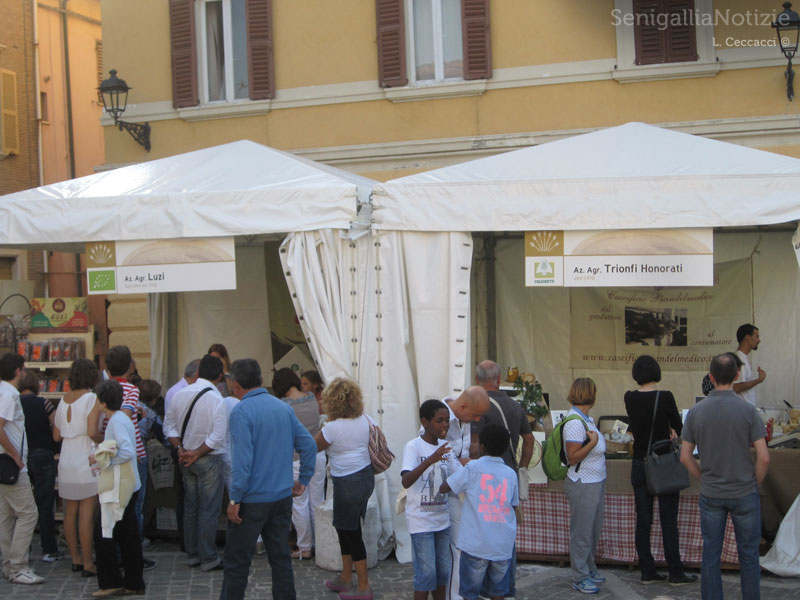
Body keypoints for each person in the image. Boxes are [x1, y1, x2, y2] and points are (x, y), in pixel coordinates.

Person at [220, 358, 317, 600]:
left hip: (252, 499)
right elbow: (309, 445)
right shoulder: (283, 408)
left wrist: (235, 499)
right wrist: (303, 478)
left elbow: (242, 462)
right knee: (281, 559)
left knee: (236, 564)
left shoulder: (241, 411)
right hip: (281, 496)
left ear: (236, 384)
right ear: (261, 381)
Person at [680, 353, 770, 600]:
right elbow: (763, 457)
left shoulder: (696, 412)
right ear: (737, 375)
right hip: (744, 491)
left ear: (711, 377)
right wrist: (754, 483)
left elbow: (685, 456)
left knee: (710, 555)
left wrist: (703, 476)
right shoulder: (748, 411)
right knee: (749, 556)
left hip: (711, 492)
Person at [624, 355, 695, 586]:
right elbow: (679, 426)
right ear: (656, 371)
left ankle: (647, 570)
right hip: (662, 463)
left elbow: (636, 427)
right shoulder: (665, 397)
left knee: (643, 520)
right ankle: (675, 572)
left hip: (639, 463)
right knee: (668, 520)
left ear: (636, 374)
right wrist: (670, 432)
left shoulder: (630, 398)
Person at [439, 423, 518, 600]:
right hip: (502, 546)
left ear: (481, 446)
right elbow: (513, 504)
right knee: (498, 592)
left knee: (470, 593)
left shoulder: (472, 468)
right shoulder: (510, 474)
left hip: (475, 544)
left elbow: (445, 487)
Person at [474, 360, 532, 598]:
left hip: (486, 479)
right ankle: (507, 588)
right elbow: (529, 440)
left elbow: (474, 446)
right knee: (507, 533)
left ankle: (489, 588)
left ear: (477, 380)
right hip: (510, 474)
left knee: (485, 532)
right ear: (499, 379)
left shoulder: (479, 406)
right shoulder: (515, 406)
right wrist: (522, 467)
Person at [164, 354, 227, 571]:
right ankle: (209, 557)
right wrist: (197, 453)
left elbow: (168, 427)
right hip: (207, 458)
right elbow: (218, 437)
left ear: (198, 373)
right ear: (220, 376)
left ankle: (192, 554)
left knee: (191, 507)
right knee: (209, 509)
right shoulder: (217, 399)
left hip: (185, 458)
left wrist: (181, 449)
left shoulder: (178, 395)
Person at [315, 378, 376, 600]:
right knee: (345, 528)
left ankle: (363, 586)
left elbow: (313, 446)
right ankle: (345, 577)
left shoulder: (331, 428)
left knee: (351, 533)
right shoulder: (366, 419)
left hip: (347, 482)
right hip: (366, 478)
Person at [432, 386, 490, 600]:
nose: (476, 420)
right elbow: (440, 459)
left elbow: (462, 456)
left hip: (460, 491)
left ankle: (460, 593)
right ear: (464, 405)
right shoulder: (438, 417)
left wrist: (468, 462)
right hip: (443, 493)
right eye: (475, 415)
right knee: (455, 549)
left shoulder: (464, 421)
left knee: (461, 546)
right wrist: (468, 464)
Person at [91, 380, 145, 597]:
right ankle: (133, 582)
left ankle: (111, 581)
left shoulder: (116, 421)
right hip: (126, 484)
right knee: (126, 534)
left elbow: (127, 451)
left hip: (118, 485)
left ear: (103, 403)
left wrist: (105, 461)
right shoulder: (121, 419)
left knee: (104, 533)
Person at [402, 399, 459, 600]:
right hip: (421, 522)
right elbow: (406, 481)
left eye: (447, 421)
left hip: (442, 521)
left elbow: (456, 476)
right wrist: (431, 460)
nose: (445, 425)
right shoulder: (414, 447)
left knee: (442, 573)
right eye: (439, 420)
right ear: (425, 422)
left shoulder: (446, 447)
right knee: (426, 574)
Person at [54, 359, 103, 577]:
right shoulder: (91, 398)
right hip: (85, 457)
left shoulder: (63, 400)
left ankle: (75, 558)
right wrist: (105, 440)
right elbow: (93, 431)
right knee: (87, 514)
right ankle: (88, 562)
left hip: (66, 458)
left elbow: (56, 435)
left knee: (69, 513)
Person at [272, 368, 326, 560]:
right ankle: (321, 544)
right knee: (317, 502)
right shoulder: (312, 399)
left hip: (295, 458)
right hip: (317, 454)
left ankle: (304, 547)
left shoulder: (283, 406)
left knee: (299, 503)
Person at [0, 353, 44, 584]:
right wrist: (15, 454)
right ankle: (18, 566)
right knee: (29, 514)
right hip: (11, 465)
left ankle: (9, 565)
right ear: (18, 371)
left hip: (4, 463)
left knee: (6, 516)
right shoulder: (9, 395)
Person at [562, 378, 606, 595]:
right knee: (582, 532)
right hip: (583, 484)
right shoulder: (574, 422)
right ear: (590, 393)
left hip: (594, 481)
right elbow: (572, 457)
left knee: (592, 530)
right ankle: (580, 576)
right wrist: (592, 443)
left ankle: (589, 568)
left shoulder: (586, 419)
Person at [106, 346, 149, 548]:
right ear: (129, 365)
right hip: (132, 450)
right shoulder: (131, 389)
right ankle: (134, 549)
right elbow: (126, 417)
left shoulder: (103, 388)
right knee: (135, 506)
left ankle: (117, 549)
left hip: (109, 450)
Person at [19, 369, 62, 562]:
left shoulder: (14, 403)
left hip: (21, 456)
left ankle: (22, 549)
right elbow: (55, 427)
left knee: (21, 506)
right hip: (43, 454)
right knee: (45, 504)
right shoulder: (44, 403)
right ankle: (49, 549)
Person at [164, 357, 201, 550]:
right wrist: (180, 448)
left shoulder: (173, 391)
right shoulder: (180, 392)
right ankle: (188, 540)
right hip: (184, 447)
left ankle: (188, 541)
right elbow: (170, 425)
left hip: (180, 446)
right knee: (187, 496)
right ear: (196, 374)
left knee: (187, 496)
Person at [733, 324, 766, 407]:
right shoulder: (738, 358)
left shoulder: (742, 357)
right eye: (756, 337)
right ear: (747, 337)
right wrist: (759, 380)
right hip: (742, 413)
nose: (759, 340)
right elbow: (736, 387)